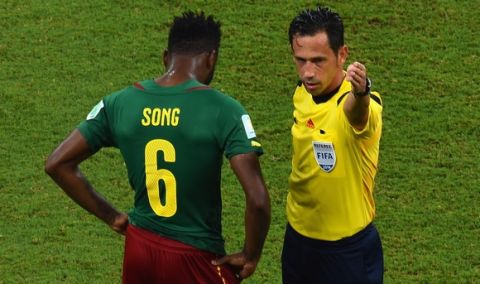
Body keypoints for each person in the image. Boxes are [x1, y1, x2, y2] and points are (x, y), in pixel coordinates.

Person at [45, 11, 270, 283]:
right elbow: (257, 200)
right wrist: (250, 254)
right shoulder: (225, 110)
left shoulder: (118, 103)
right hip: (194, 255)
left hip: (139, 249)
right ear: (211, 59)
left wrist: (113, 217)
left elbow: (57, 164)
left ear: (166, 57)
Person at [281, 5, 384, 284]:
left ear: (342, 54)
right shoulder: (302, 93)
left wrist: (361, 91)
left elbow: (356, 112)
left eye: (318, 60)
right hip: (298, 242)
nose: (308, 72)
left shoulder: (363, 106)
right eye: (300, 60)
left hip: (346, 253)